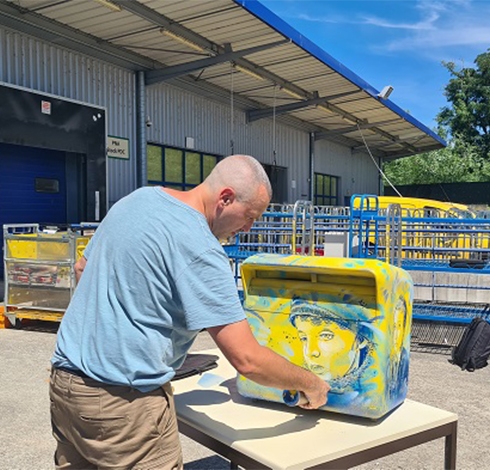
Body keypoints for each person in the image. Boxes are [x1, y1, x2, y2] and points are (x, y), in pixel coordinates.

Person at [49, 155, 330, 469]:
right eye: (249, 216)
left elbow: (82, 267)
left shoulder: (138, 200)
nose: (248, 227)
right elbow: (247, 360)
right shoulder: (201, 248)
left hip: (65, 384)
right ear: (225, 198)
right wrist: (311, 383)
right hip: (123, 403)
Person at [288, 299, 373, 406]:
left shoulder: (369, 396)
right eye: (304, 338)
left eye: (326, 336)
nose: (311, 352)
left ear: (359, 340)